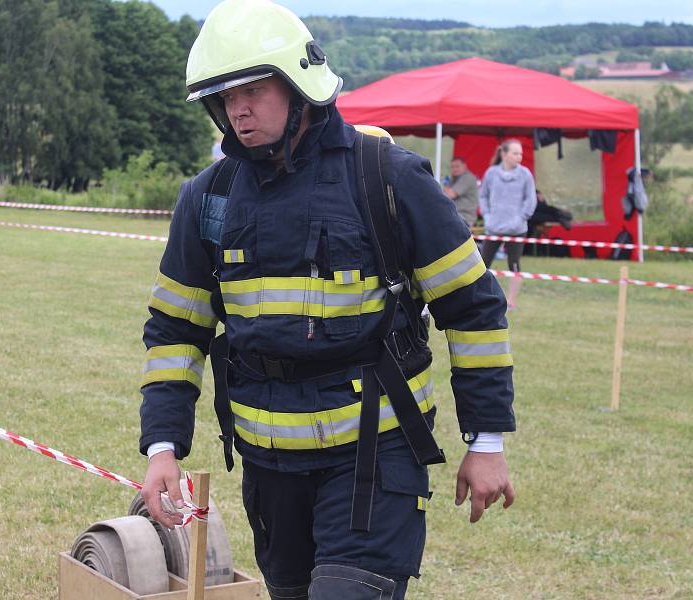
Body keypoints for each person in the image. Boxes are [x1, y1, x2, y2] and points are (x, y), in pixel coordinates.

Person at [139, 2, 515, 599]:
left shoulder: (387, 177)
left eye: (254, 89)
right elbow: (176, 331)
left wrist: (487, 441)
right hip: (269, 470)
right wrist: (163, 446)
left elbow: (473, 308)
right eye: (223, 95)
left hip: (375, 460)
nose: (237, 109)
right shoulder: (207, 200)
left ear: (298, 83)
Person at [478, 139, 537, 310]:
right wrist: (487, 217)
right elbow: (483, 196)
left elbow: (530, 201)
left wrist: (520, 219)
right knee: (483, 263)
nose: (519, 156)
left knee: (515, 264)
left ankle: (512, 301)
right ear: (504, 154)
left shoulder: (525, 174)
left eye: (521, 153)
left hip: (517, 229)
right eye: (515, 153)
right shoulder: (491, 173)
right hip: (494, 227)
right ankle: (481, 298)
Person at [442, 156, 479, 228]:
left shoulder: (467, 177)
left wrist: (443, 186)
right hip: (456, 216)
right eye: (452, 167)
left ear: (464, 166)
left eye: (457, 166)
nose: (454, 169)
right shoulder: (454, 179)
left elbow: (449, 195)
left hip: (465, 218)